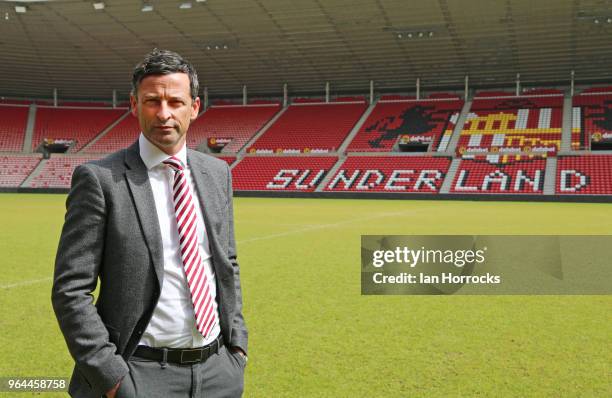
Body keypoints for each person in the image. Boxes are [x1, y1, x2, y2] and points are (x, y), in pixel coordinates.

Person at [52, 49, 247, 398]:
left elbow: (226, 263)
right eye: (152, 101)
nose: (164, 113)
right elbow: (71, 289)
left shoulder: (217, 174)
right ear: (134, 104)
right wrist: (112, 378)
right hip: (139, 373)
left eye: (175, 101)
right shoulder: (100, 180)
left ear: (195, 107)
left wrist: (237, 349)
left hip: (218, 371)